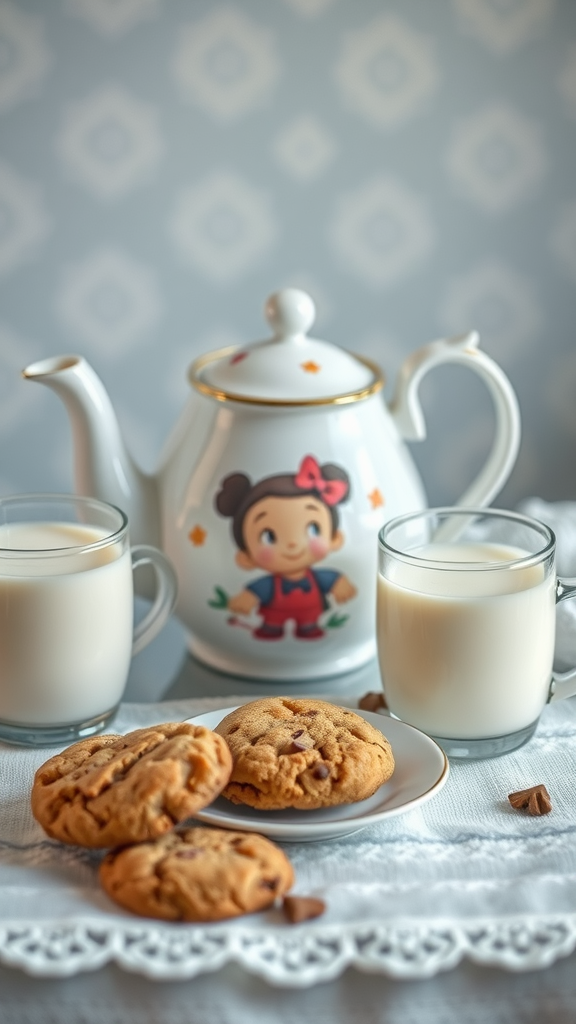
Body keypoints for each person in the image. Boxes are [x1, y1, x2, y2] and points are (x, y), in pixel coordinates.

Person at [215, 455, 357, 640]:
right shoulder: (268, 584)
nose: (292, 543)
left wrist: (340, 584)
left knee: (309, 624)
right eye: (269, 537)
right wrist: (247, 597)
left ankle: (308, 627)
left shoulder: (317, 577)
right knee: (272, 624)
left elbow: (331, 579)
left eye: (313, 529)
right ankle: (272, 628)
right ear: (246, 557)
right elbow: (257, 590)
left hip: (310, 611)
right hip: (275, 612)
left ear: (335, 538)